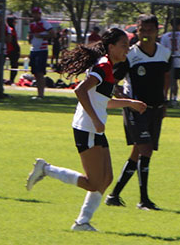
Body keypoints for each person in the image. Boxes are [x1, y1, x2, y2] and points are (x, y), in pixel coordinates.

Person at [25, 27, 147, 231]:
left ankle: (82, 222)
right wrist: (95, 119)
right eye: (123, 45)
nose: (127, 49)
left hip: (94, 128)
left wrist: (129, 102)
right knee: (93, 183)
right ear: (111, 47)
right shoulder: (104, 65)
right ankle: (46, 169)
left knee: (105, 179)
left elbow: (102, 102)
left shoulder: (107, 67)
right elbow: (80, 91)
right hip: (87, 127)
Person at [106, 14, 171, 210]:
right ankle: (144, 200)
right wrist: (124, 100)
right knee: (146, 149)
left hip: (156, 109)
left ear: (157, 31)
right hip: (136, 110)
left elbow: (166, 77)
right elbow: (113, 79)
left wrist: (164, 101)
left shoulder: (164, 53)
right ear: (138, 31)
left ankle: (114, 195)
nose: (146, 34)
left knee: (138, 152)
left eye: (150, 30)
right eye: (142, 30)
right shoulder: (131, 55)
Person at [161, 18, 180, 103]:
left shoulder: (165, 35)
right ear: (178, 25)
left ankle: (165, 97)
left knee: (166, 80)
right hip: (178, 60)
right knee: (174, 81)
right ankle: (174, 98)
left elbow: (162, 48)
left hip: (167, 59)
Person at [27, 6, 50, 98]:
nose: (35, 15)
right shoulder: (32, 24)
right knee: (35, 72)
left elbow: (52, 33)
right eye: (34, 13)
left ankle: (41, 94)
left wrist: (40, 35)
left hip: (42, 50)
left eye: (37, 13)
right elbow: (30, 36)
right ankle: (38, 93)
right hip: (34, 49)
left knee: (40, 72)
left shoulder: (44, 23)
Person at [5, 16, 20, 84]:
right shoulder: (11, 29)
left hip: (9, 49)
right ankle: (11, 80)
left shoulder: (8, 29)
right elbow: (13, 41)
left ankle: (11, 80)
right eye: (14, 21)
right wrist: (17, 48)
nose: (15, 23)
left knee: (14, 65)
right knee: (14, 65)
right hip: (11, 49)